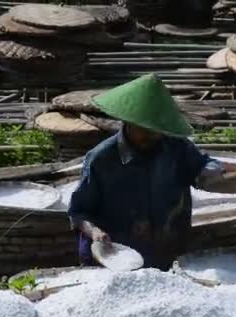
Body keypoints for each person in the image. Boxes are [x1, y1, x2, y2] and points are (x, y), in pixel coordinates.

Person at [68, 73, 227, 270]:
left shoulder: (175, 147)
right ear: (129, 121)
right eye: (146, 129)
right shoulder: (101, 159)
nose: (153, 135)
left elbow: (205, 163)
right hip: (116, 257)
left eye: (157, 129)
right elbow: (79, 212)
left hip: (166, 248)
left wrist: (209, 171)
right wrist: (95, 232)